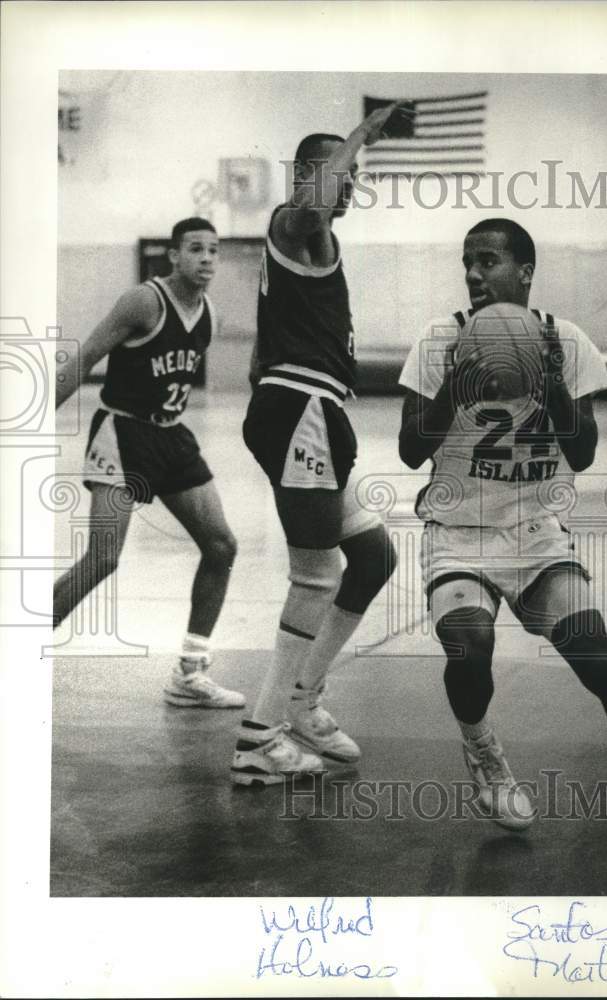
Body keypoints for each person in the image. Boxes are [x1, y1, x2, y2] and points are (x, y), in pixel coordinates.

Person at [397, 217, 607, 843]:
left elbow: (582, 452)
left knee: (596, 658)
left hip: (535, 530)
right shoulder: (438, 339)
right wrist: (458, 381)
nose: (475, 274)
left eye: (489, 261)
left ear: (524, 271)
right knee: (470, 646)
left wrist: (550, 379)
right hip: (459, 528)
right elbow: (408, 448)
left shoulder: (568, 340)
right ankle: (484, 752)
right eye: (468, 262)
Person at [231, 107, 402, 786]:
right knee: (315, 577)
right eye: (345, 171)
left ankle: (303, 697)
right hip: (302, 411)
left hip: (313, 411)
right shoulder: (290, 224)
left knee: (372, 557)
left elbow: (266, 343)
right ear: (309, 177)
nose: (353, 181)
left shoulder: (318, 248)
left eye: (357, 170)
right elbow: (310, 206)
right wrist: (362, 133)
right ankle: (258, 738)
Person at [54, 217, 244, 710]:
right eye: (196, 249)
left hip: (171, 437)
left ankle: (191, 671)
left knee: (221, 546)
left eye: (214, 251)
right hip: (123, 431)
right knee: (103, 559)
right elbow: (87, 355)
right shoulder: (144, 301)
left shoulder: (210, 317)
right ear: (173, 256)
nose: (207, 259)